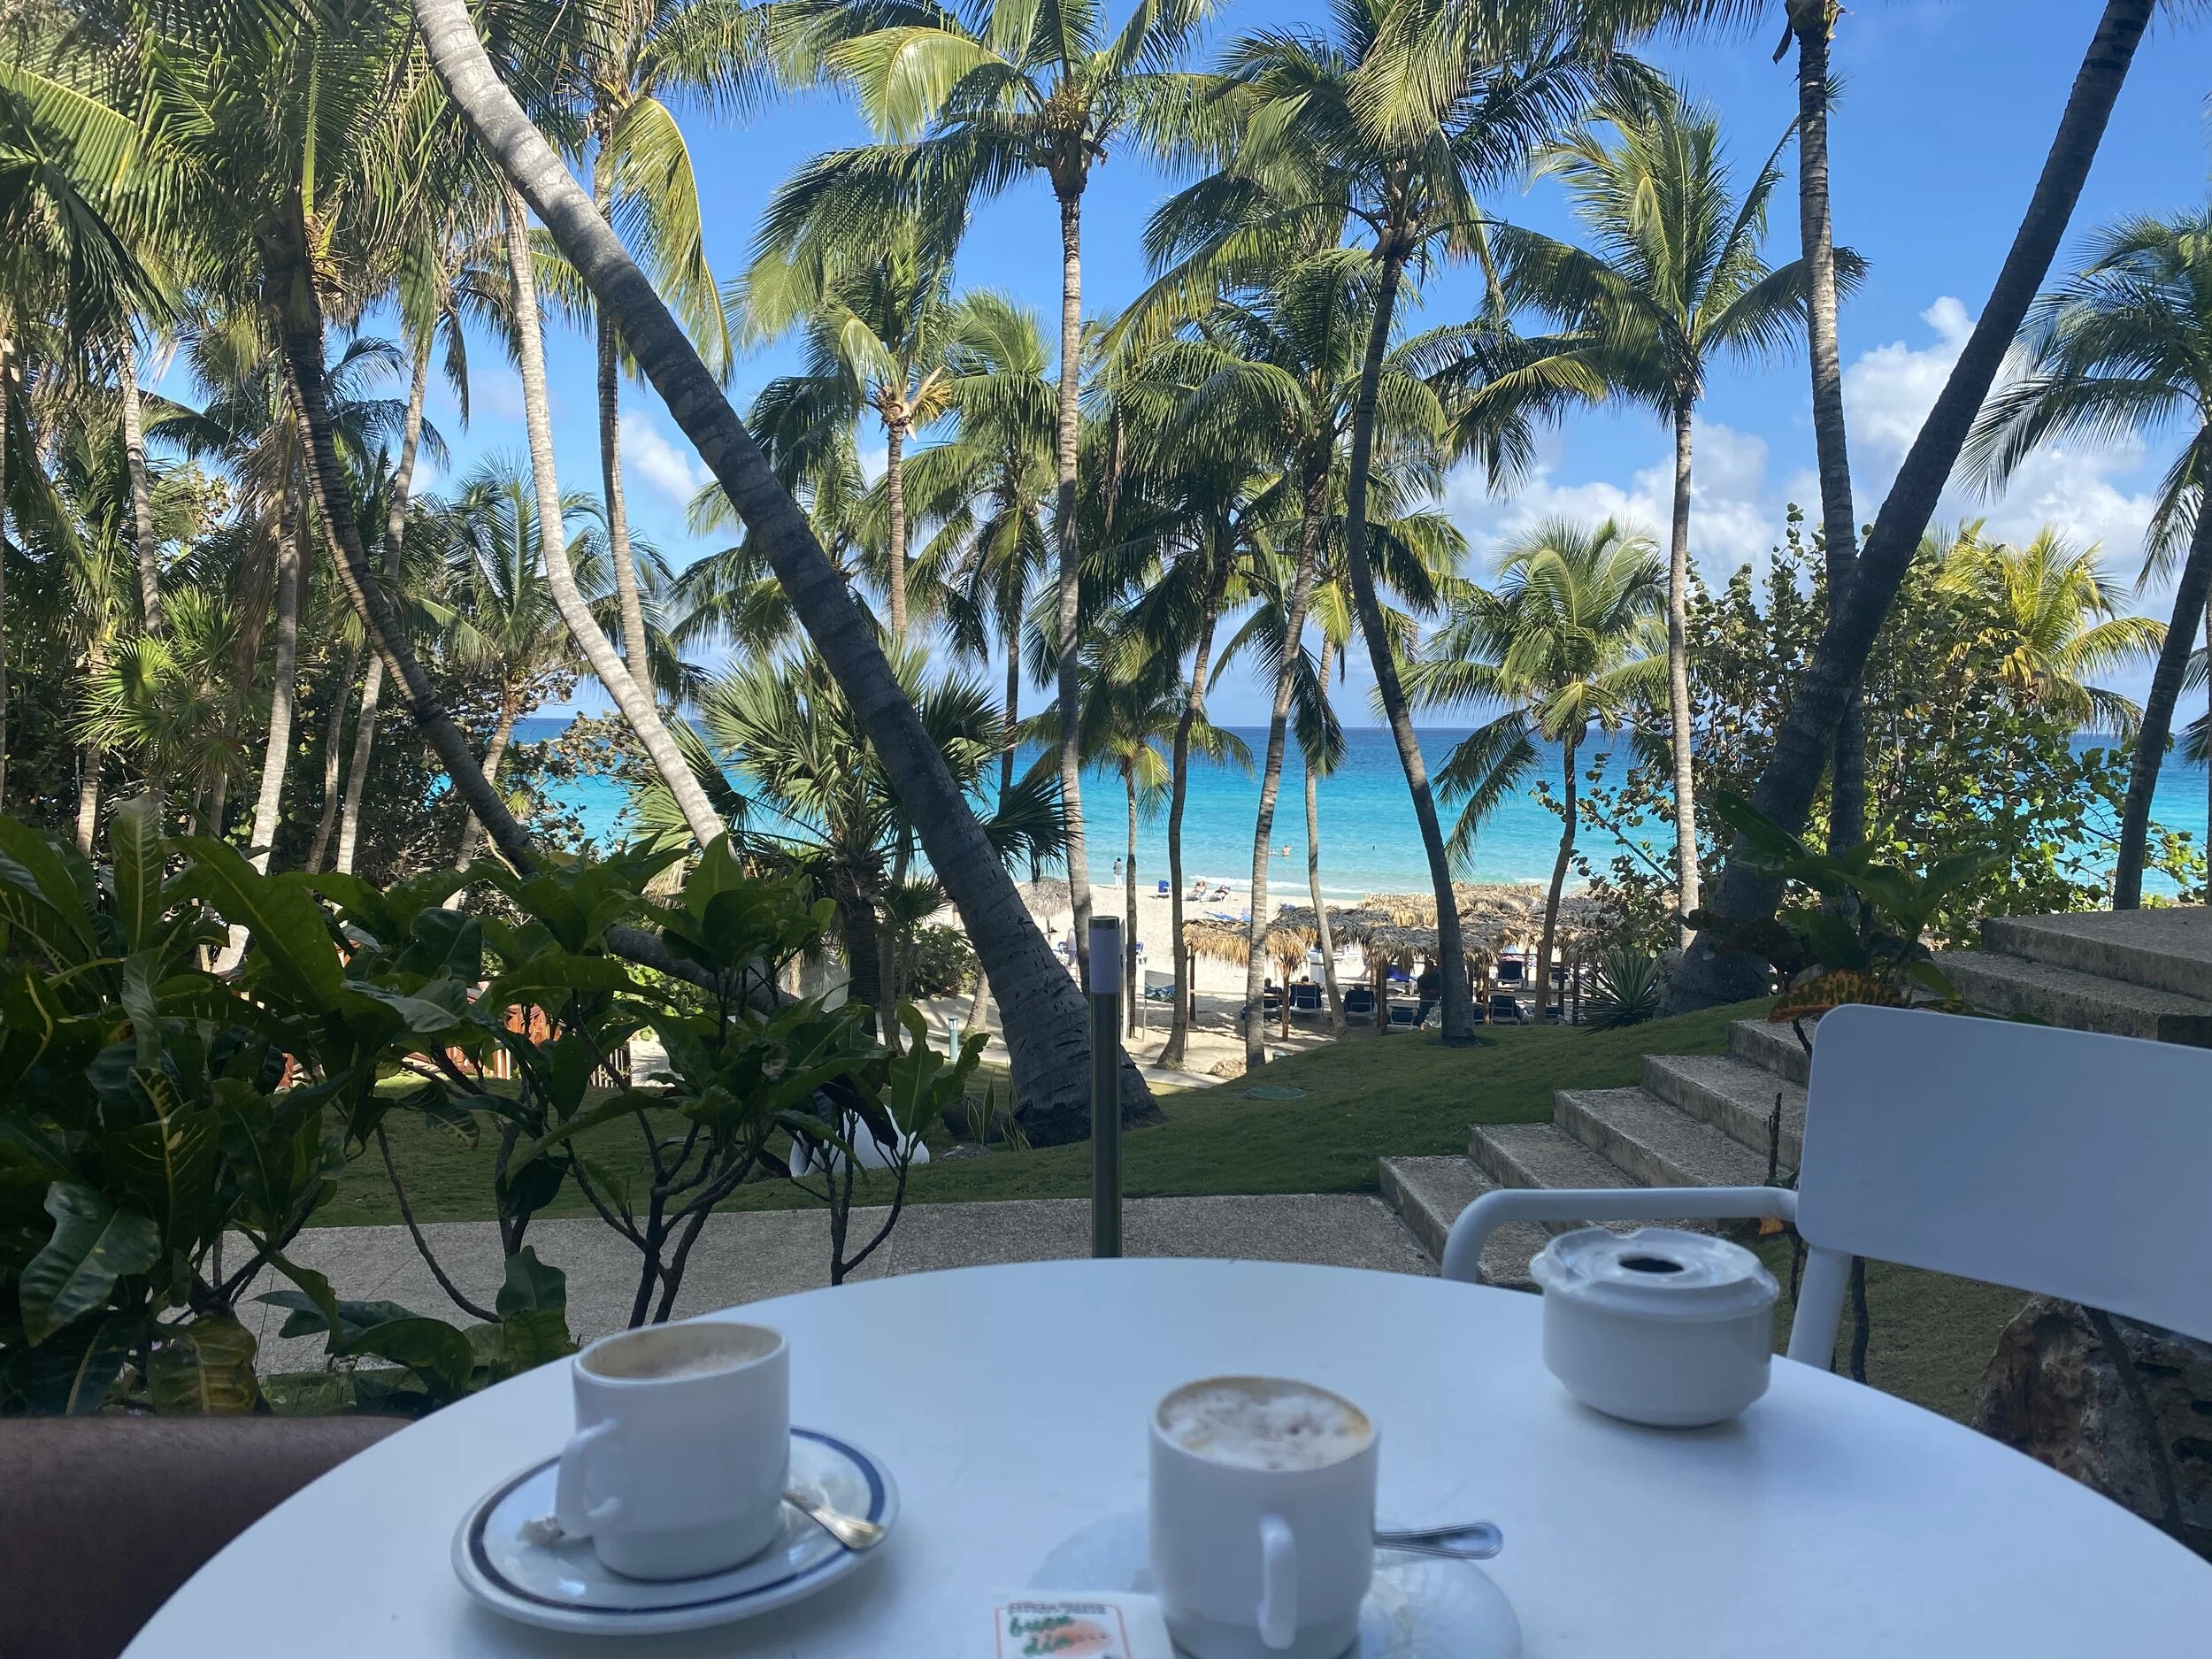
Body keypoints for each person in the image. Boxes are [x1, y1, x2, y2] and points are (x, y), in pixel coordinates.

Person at [1415, 961, 1441, 1027]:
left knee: (1436, 1017)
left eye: (1431, 967)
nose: (1430, 969)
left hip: (1436, 1000)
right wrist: (1431, 991)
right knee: (1423, 1017)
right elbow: (1420, 989)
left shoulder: (1438, 978)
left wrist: (1437, 992)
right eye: (1428, 967)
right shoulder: (1421, 978)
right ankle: (1421, 1028)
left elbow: (1441, 988)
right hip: (1425, 1001)